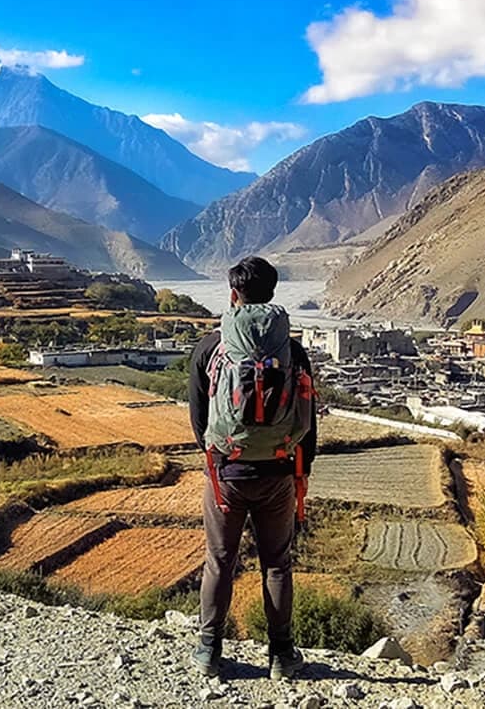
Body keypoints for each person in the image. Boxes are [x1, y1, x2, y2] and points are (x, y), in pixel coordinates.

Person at [188, 256, 318, 681]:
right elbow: (308, 417)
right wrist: (301, 468)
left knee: (219, 561)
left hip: (226, 472)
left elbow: (198, 418)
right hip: (280, 471)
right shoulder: (293, 351)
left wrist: (217, 462)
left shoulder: (210, 348)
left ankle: (209, 651)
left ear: (232, 295)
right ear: (273, 295)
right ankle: (282, 657)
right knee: (277, 563)